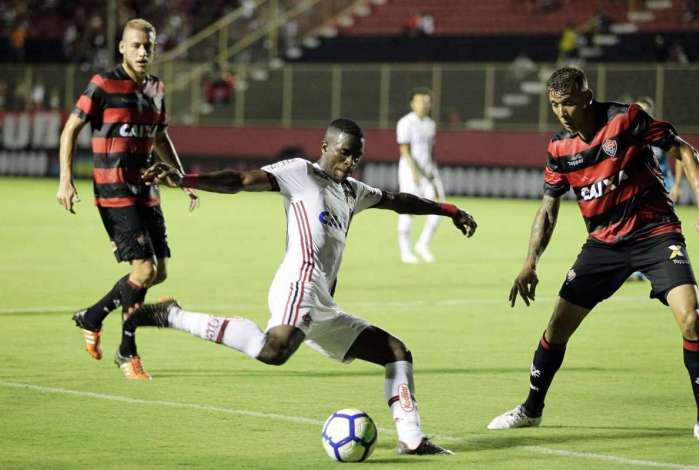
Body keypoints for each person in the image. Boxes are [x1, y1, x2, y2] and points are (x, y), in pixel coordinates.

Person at [131, 118, 477, 455]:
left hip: (322, 301)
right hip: (300, 281)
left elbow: (399, 200)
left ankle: (412, 439)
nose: (350, 162)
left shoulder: (352, 191)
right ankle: (172, 315)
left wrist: (448, 210)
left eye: (356, 156)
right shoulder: (300, 172)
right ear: (324, 147)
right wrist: (184, 179)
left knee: (396, 352)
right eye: (343, 153)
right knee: (275, 351)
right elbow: (239, 179)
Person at [487, 67, 699, 441]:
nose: (561, 113)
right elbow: (548, 209)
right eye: (554, 105)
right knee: (556, 327)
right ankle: (531, 409)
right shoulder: (559, 149)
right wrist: (530, 262)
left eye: (568, 103)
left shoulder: (625, 119)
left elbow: (683, 149)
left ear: (586, 98)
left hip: (655, 233)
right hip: (603, 245)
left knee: (692, 319)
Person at [56, 18, 199, 380]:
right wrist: (66, 179)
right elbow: (72, 127)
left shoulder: (156, 88)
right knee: (145, 270)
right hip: (114, 190)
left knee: (158, 274)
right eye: (135, 45)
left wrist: (182, 178)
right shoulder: (103, 84)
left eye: (147, 46)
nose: (142, 52)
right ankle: (127, 352)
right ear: (122, 47)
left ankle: (92, 316)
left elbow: (160, 137)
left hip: (147, 190)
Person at [628, 96, 685, 281]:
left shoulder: (657, 133)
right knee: (638, 227)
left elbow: (681, 158)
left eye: (643, 110)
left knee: (662, 229)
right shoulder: (631, 134)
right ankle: (639, 269)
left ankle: (671, 263)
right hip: (644, 192)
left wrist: (676, 185)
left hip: (664, 189)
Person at [396, 88, 445, 263]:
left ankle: (423, 244)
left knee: (440, 207)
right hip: (411, 172)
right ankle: (405, 251)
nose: (424, 104)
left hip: (429, 171)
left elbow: (431, 151)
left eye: (427, 101)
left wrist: (432, 172)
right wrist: (414, 172)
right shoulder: (405, 123)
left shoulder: (430, 124)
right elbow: (405, 150)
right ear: (412, 103)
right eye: (420, 101)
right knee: (407, 210)